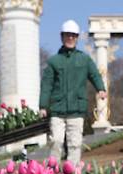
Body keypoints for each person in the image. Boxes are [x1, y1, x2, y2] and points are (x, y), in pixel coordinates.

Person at [39, 20, 106, 165]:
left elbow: (95, 74)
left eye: (74, 36)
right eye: (67, 35)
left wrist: (100, 88)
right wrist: (43, 106)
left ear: (77, 38)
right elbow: (46, 85)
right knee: (56, 141)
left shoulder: (85, 59)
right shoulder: (53, 61)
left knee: (75, 144)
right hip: (57, 110)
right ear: (62, 37)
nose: (70, 38)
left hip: (77, 110)